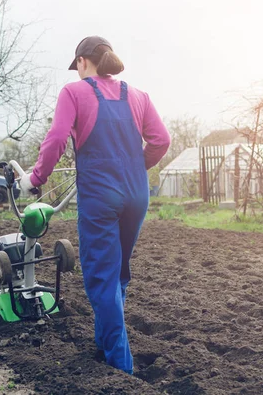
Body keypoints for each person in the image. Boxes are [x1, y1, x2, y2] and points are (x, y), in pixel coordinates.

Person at [19, 36, 171, 375]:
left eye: (77, 67)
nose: (77, 73)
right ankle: (104, 345)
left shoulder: (73, 92)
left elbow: (57, 138)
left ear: (83, 63)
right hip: (136, 195)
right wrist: (132, 167)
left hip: (101, 196)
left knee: (101, 278)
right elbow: (162, 141)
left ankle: (121, 367)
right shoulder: (139, 96)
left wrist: (36, 178)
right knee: (117, 272)